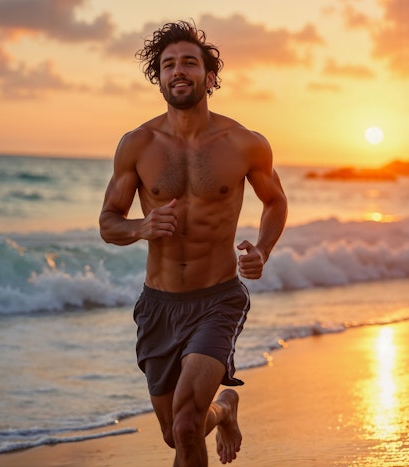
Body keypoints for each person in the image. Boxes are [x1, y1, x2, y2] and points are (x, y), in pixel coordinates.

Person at [99, 20, 287, 466]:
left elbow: (275, 201)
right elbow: (108, 222)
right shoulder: (136, 144)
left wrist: (263, 248)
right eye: (168, 65)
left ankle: (212, 410)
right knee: (176, 434)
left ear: (209, 76)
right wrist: (141, 228)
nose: (178, 71)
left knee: (185, 424)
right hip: (157, 306)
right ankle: (226, 408)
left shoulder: (244, 143)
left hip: (217, 299)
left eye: (189, 62)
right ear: (158, 77)